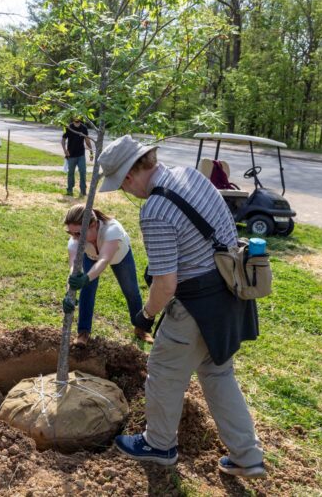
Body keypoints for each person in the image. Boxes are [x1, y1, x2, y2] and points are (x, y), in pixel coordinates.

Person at [93, 135, 265, 478]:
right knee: (218, 374)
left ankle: (158, 444)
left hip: (196, 305)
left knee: (163, 373)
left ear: (128, 176)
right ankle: (248, 457)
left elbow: (165, 284)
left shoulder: (155, 210)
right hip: (229, 291)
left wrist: (146, 314)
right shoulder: (190, 174)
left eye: (122, 186)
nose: (128, 193)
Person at [62, 204, 147, 347]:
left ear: (93, 225)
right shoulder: (74, 242)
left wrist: (87, 277)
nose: (75, 238)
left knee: (131, 290)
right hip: (92, 257)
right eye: (71, 233)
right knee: (87, 290)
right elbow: (73, 270)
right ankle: (83, 332)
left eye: (78, 233)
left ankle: (141, 328)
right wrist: (69, 292)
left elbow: (104, 260)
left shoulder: (112, 230)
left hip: (119, 256)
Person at [61, 117, 93, 197]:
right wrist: (65, 150)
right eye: (75, 116)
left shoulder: (84, 128)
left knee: (83, 172)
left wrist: (91, 152)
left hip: (81, 155)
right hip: (70, 155)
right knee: (71, 173)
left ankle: (83, 192)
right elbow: (63, 140)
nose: (77, 118)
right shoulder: (68, 127)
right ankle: (69, 191)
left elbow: (87, 140)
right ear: (73, 117)